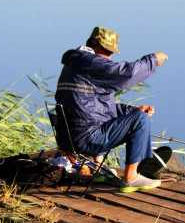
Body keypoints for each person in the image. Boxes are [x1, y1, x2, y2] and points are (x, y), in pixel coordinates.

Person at [54, 26, 168, 192]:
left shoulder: (75, 64)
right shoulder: (90, 63)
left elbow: (95, 106)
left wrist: (133, 111)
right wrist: (153, 60)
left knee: (136, 115)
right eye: (106, 51)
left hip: (69, 138)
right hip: (87, 139)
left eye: (111, 52)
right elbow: (127, 74)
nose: (109, 56)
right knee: (141, 120)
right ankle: (131, 177)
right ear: (93, 44)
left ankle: (97, 168)